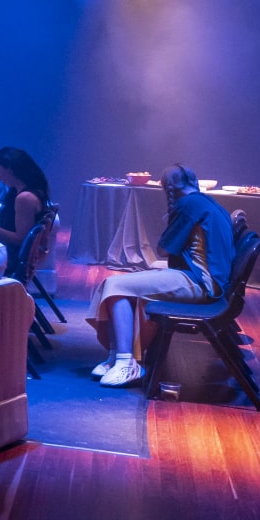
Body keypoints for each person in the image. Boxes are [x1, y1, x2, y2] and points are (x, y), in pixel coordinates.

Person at [85, 165, 234, 388]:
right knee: (120, 284)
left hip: (200, 282)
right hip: (210, 280)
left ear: (168, 188)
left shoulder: (187, 205)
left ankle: (126, 363)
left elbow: (164, 248)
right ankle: (118, 357)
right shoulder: (206, 201)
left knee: (115, 285)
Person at [0, 146, 50, 274]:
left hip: (10, 257)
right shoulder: (20, 192)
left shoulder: (25, 198)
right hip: (7, 250)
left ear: (10, 170)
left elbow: (21, 239)